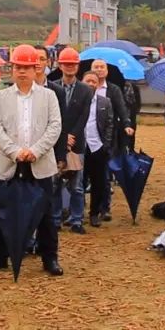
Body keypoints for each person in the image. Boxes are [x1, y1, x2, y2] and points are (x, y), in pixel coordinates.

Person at [0, 44, 64, 278]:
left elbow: (55, 126)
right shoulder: (1, 97)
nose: (22, 72)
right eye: (18, 67)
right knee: (1, 212)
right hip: (9, 164)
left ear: (36, 68)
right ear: (12, 69)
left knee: (46, 214)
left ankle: (50, 257)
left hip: (40, 164)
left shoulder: (49, 96)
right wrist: (15, 151)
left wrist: (36, 150)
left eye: (27, 67)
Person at [50, 47, 94, 233]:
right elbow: (52, 116)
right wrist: (61, 137)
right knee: (55, 183)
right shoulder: (52, 87)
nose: (69, 67)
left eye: (73, 64)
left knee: (77, 185)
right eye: (66, 64)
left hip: (77, 144)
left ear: (78, 66)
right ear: (60, 65)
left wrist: (71, 137)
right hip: (55, 142)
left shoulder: (85, 90)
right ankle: (55, 219)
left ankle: (77, 220)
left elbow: (84, 116)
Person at [90, 59, 132, 221]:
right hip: (87, 138)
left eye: (102, 67)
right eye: (96, 67)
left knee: (104, 175)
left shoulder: (113, 90)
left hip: (107, 137)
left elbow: (122, 109)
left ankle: (104, 208)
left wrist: (127, 124)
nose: (99, 70)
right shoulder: (85, 87)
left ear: (107, 71)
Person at [80, 71, 114, 228]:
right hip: (80, 147)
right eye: (88, 81)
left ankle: (94, 213)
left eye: (94, 81)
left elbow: (109, 125)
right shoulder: (76, 101)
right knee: (77, 182)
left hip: (98, 148)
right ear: (82, 82)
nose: (91, 84)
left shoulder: (105, 102)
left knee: (98, 183)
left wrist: (105, 145)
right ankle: (77, 213)